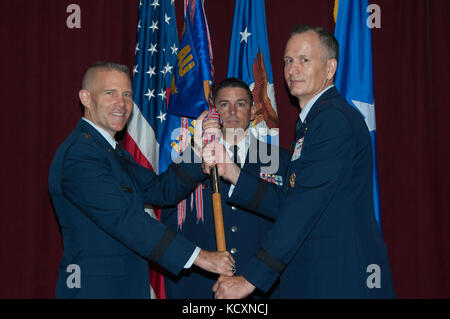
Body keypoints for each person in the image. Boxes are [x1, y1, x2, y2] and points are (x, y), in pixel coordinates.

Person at [204, 25, 396, 298]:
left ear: (330, 68)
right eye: (288, 61)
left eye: (304, 60)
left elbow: (303, 206)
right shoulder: (312, 121)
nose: (293, 69)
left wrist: (249, 279)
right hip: (316, 276)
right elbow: (289, 200)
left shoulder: (332, 121)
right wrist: (233, 173)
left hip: (339, 279)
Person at [48, 61, 235, 298]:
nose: (121, 103)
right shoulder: (81, 155)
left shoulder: (109, 152)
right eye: (110, 93)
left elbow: (161, 190)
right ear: (86, 98)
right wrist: (201, 257)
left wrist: (197, 149)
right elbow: (126, 220)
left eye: (127, 94)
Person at [162, 78, 289, 299]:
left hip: (261, 288)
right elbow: (171, 222)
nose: (232, 111)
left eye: (240, 104)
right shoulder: (191, 160)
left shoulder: (281, 160)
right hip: (202, 287)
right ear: (213, 111)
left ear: (252, 112)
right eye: (223, 104)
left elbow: (290, 222)